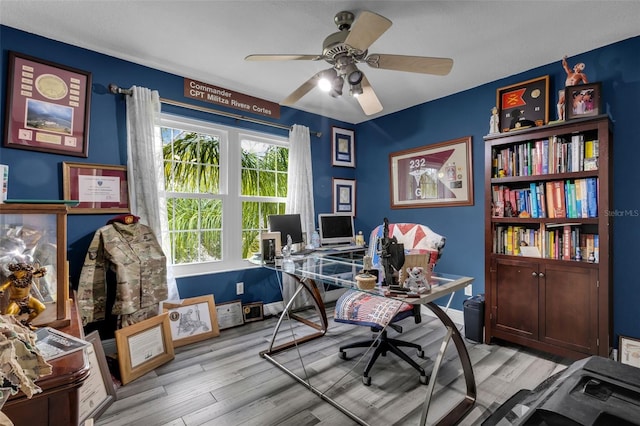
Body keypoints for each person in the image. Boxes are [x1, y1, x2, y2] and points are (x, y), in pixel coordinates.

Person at [557, 56, 588, 121]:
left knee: (569, 104)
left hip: (573, 90)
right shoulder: (570, 73)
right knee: (560, 103)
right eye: (578, 66)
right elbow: (565, 66)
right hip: (566, 90)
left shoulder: (581, 75)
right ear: (575, 67)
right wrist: (564, 59)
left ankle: (565, 118)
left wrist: (584, 93)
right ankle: (560, 118)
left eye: (580, 67)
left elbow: (586, 84)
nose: (579, 68)